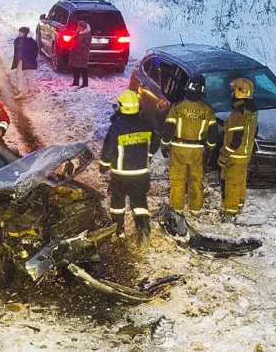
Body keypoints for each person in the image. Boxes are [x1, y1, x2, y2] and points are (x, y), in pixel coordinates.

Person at [99, 90, 160, 244]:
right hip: (141, 174)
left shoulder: (117, 127)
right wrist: (149, 155)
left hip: (121, 175)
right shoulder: (146, 124)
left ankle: (119, 230)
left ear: (121, 106)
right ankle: (143, 228)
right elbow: (155, 141)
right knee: (139, 202)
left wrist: (103, 166)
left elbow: (108, 149)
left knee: (117, 202)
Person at [161, 74, 219, 216]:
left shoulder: (177, 107)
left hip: (178, 149)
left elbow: (169, 128)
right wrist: (210, 147)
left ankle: (176, 210)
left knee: (177, 180)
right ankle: (195, 210)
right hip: (197, 151)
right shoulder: (207, 109)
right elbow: (213, 132)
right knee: (196, 180)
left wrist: (164, 144)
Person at [218, 78, 258, 220]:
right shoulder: (252, 110)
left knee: (232, 183)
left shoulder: (238, 113)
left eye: (233, 90)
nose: (231, 94)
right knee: (241, 181)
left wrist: (224, 155)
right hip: (245, 154)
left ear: (240, 92)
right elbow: (254, 130)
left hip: (235, 155)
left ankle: (230, 212)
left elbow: (235, 139)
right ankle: (239, 204)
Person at [12, 26, 38, 99]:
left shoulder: (30, 41)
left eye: (21, 32)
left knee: (28, 77)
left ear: (24, 33)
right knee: (20, 76)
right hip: (19, 61)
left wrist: (31, 59)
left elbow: (35, 51)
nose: (19, 33)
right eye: (19, 32)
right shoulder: (17, 40)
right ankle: (21, 92)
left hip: (27, 62)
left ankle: (31, 90)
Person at [68, 20, 91, 88]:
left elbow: (86, 45)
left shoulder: (87, 35)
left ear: (83, 28)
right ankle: (76, 82)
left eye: (80, 27)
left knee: (83, 69)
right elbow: (73, 40)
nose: (78, 28)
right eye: (78, 27)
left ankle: (85, 84)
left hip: (82, 55)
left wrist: (77, 42)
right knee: (75, 68)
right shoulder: (77, 33)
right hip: (75, 53)